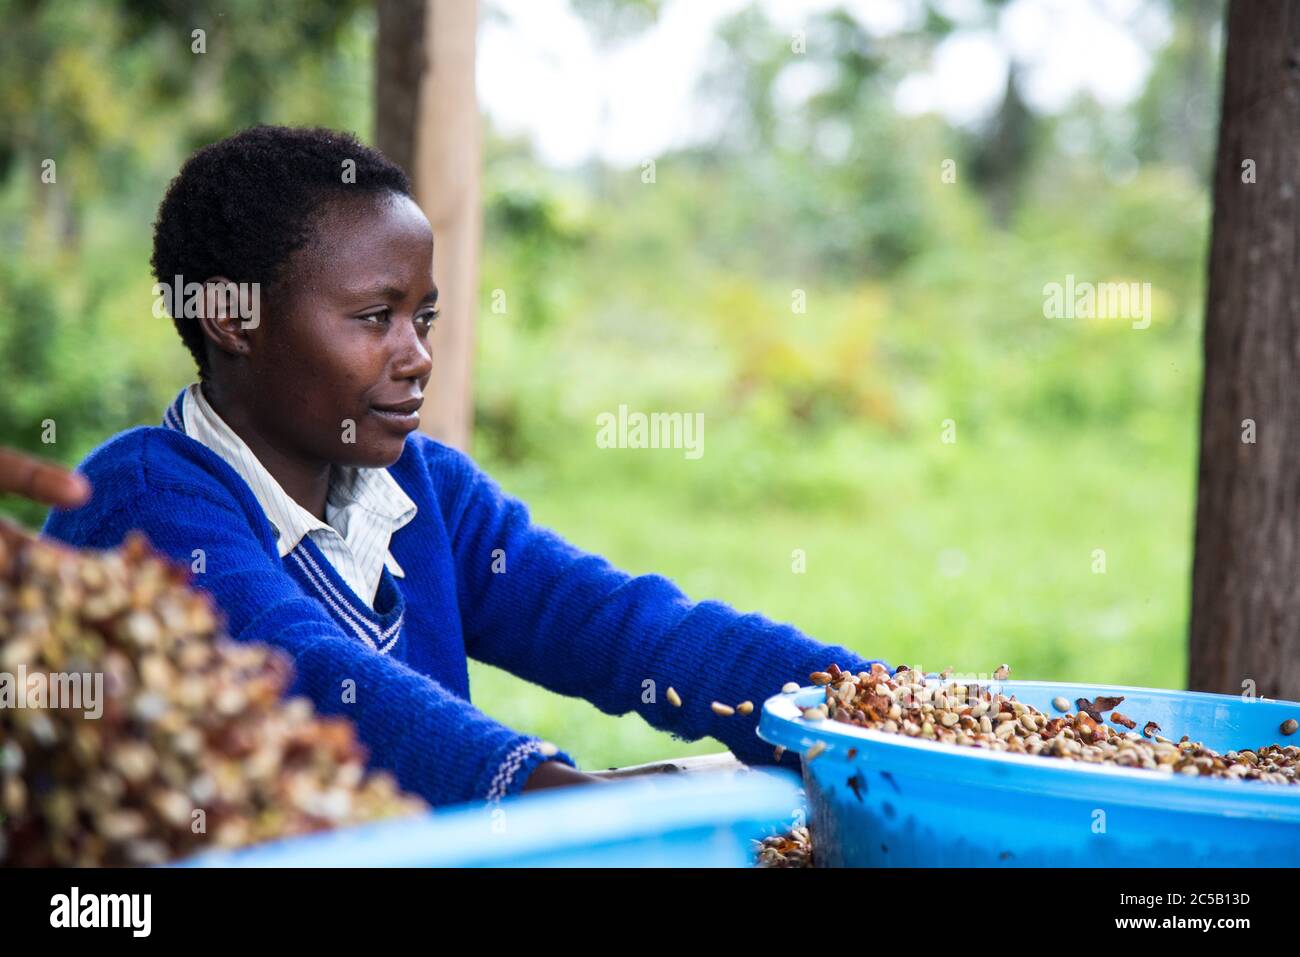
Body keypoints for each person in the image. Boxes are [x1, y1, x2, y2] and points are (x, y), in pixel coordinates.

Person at [43, 126, 887, 807]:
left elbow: (627, 626)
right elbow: (306, 667)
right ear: (233, 320)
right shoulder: (143, 500)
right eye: (375, 316)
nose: (416, 358)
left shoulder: (424, 490)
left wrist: (874, 703)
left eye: (425, 317)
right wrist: (551, 796)